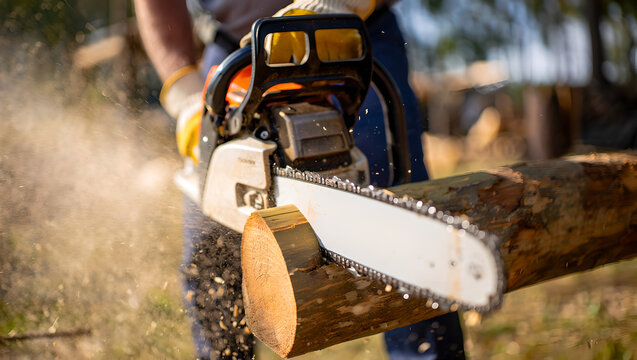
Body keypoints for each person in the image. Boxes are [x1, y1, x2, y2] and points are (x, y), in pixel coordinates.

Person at [134, 0, 466, 358]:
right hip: (238, 46)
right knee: (209, 236)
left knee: (400, 208)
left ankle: (424, 351)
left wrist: (338, 4)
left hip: (354, 29)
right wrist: (185, 90)